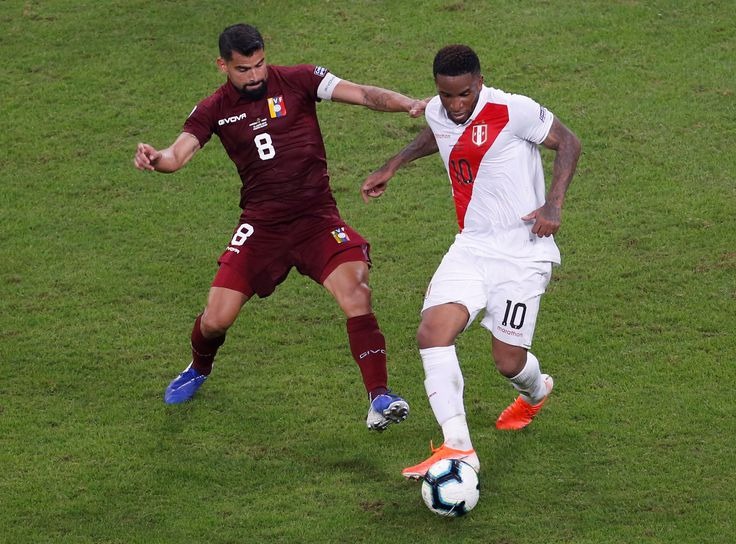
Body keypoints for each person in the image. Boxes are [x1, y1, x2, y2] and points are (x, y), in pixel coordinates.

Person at [133, 23, 426, 431]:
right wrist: (155, 158)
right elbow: (178, 155)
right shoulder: (213, 108)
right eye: (243, 69)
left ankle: (379, 397)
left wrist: (410, 103)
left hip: (316, 218)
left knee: (357, 292)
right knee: (216, 319)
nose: (254, 76)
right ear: (222, 65)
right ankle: (199, 368)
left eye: (259, 64)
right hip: (262, 226)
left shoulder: (300, 80)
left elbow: (361, 94)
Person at [361, 44, 581, 476]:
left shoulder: (513, 109)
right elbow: (438, 131)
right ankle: (458, 446)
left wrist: (553, 205)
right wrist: (395, 163)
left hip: (523, 254)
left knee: (508, 362)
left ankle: (537, 392)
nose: (456, 105)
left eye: (464, 94)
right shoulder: (439, 112)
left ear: (480, 81)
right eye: (447, 96)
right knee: (432, 332)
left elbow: (569, 142)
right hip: (472, 247)